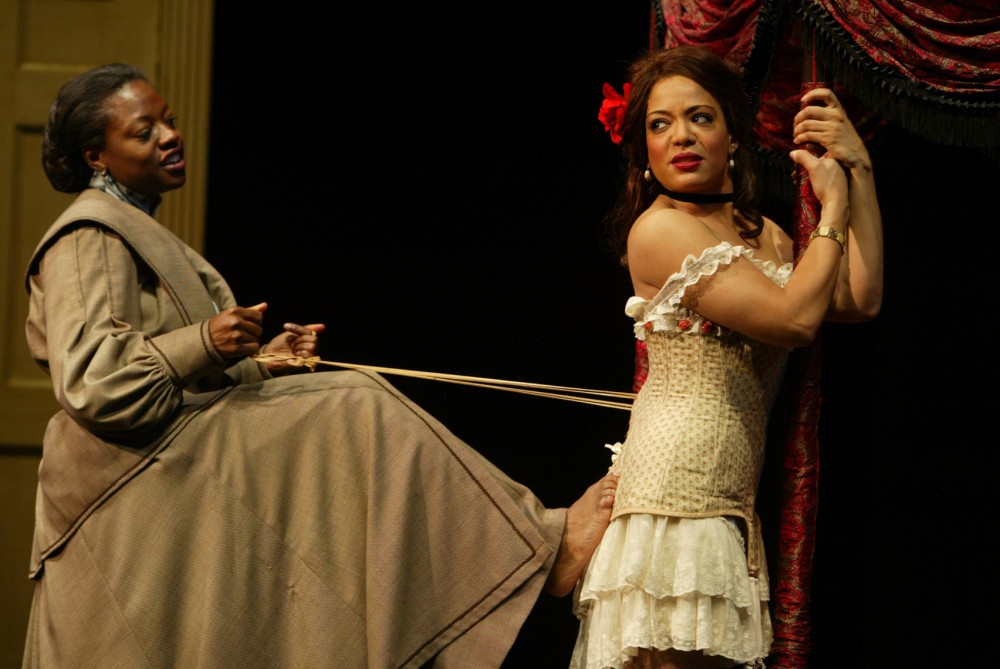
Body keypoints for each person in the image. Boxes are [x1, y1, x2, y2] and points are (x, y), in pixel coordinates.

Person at [22, 62, 620, 669]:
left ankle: (517, 555)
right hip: (126, 473)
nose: (170, 136)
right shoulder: (87, 236)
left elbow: (176, 374)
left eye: (169, 122)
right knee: (357, 405)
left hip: (166, 450)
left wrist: (263, 366)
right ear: (96, 156)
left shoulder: (132, 227)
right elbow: (95, 382)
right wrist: (205, 340)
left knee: (353, 412)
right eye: (144, 131)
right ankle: (545, 547)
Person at [568, 46, 883, 669]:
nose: (681, 136)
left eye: (700, 117)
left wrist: (859, 171)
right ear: (644, 149)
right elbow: (795, 320)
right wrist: (834, 209)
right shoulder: (659, 231)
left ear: (732, 136)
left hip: (722, 500)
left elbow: (857, 297)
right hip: (673, 499)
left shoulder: (762, 236)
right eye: (660, 124)